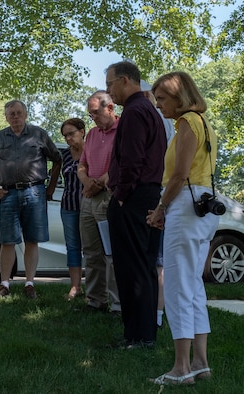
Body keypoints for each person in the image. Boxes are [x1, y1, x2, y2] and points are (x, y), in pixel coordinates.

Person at [146, 72, 219, 385]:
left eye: (162, 98)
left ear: (180, 96)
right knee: (192, 286)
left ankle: (181, 368)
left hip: (187, 206)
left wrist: (161, 208)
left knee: (176, 286)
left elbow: (178, 176)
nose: (159, 105)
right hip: (202, 204)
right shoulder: (202, 123)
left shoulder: (188, 122)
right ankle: (200, 364)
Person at [105, 61, 166, 348]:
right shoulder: (150, 110)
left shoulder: (134, 112)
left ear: (125, 80)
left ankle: (137, 336)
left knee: (131, 267)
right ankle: (144, 333)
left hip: (133, 197)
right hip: (148, 195)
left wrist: (120, 194)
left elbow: (132, 160)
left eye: (110, 84)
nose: (109, 91)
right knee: (144, 264)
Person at [0, 100, 62, 299]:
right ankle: (5, 284)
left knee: (32, 239)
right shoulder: (0, 137)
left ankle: (29, 283)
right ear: (6, 116)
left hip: (35, 192)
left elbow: (57, 159)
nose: (15, 117)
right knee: (7, 240)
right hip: (9, 193)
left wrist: (51, 187)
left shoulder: (39, 134)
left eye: (19, 113)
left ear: (26, 114)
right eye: (11, 114)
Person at [77, 91, 121, 313]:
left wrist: (100, 183)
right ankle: (95, 300)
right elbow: (81, 164)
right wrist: (86, 182)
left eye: (96, 112)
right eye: (90, 114)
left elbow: (122, 164)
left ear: (110, 108)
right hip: (89, 198)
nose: (93, 117)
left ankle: (117, 304)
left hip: (109, 196)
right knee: (91, 251)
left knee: (112, 253)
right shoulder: (92, 134)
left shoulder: (123, 130)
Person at [141, 79, 176, 329]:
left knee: (158, 260)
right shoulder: (166, 121)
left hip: (159, 194)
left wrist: (162, 205)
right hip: (160, 194)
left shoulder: (155, 120)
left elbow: (176, 170)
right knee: (155, 259)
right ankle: (153, 313)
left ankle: (156, 314)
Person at [59, 118, 86, 300]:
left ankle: (94, 287)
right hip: (68, 206)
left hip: (88, 205)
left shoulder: (92, 151)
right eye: (65, 135)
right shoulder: (65, 155)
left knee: (92, 249)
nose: (68, 138)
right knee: (73, 247)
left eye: (71, 134)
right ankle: (75, 287)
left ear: (82, 131)